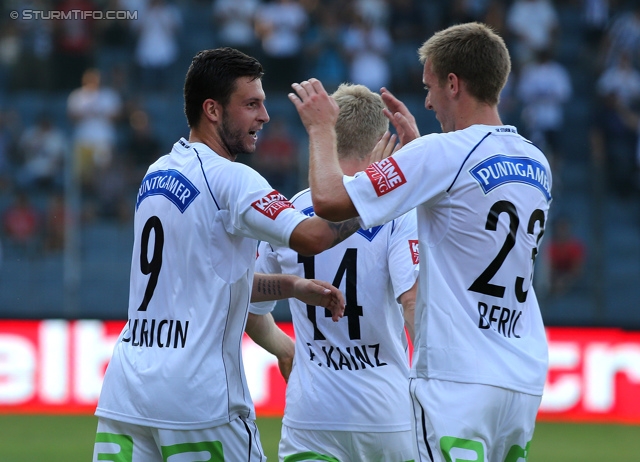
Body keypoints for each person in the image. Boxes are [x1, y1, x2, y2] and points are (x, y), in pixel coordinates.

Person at [288, 22, 552, 462]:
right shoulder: (535, 160)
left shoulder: (442, 153)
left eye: (430, 87)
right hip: (522, 375)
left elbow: (330, 201)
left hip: (458, 376)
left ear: (454, 83)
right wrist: (416, 158)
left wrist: (320, 129)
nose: (427, 101)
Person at [92, 47, 362, 462]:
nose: (264, 116)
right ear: (213, 110)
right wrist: (381, 196)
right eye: (251, 104)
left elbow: (200, 279)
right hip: (199, 403)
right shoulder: (232, 179)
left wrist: (290, 285)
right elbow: (315, 236)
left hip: (126, 397)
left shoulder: (157, 172)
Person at [249, 83, 419, 461]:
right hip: (387, 418)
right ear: (381, 140)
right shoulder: (398, 213)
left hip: (313, 418)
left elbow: (250, 305)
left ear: (330, 132)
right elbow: (413, 304)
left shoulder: (289, 214)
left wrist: (286, 349)